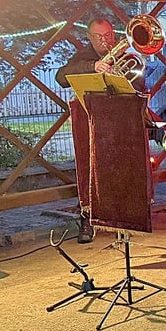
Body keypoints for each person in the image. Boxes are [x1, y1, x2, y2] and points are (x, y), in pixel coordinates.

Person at [56, 17, 121, 244]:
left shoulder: (123, 52)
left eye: (108, 35)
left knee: (120, 168)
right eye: (99, 36)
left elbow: (140, 82)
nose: (105, 41)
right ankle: (88, 217)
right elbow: (61, 77)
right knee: (89, 168)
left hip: (119, 121)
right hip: (91, 122)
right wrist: (93, 67)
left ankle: (122, 218)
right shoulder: (83, 56)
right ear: (89, 37)